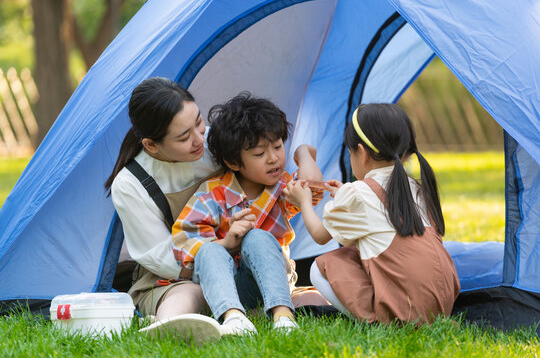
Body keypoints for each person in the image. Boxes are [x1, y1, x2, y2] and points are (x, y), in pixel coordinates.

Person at [283, 103, 461, 325]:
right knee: (359, 252)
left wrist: (304, 202)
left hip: (406, 310)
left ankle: (377, 321)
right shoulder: (415, 186)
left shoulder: (357, 194)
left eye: (350, 153)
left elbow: (320, 236)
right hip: (442, 303)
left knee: (320, 267)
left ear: (362, 153)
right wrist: (344, 195)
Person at [171, 92, 324, 335]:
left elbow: (312, 186)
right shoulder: (212, 195)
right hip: (223, 285)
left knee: (258, 237)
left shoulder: (282, 189)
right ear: (233, 162)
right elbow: (184, 245)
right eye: (259, 154)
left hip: (270, 283)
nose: (273, 158)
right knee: (209, 249)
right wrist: (228, 242)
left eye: (277, 146)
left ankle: (283, 316)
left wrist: (303, 151)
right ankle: (234, 318)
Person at [105, 77, 223, 344]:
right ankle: (168, 325)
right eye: (184, 137)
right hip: (178, 274)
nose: (198, 140)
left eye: (199, 122)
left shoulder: (218, 142)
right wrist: (217, 259)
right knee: (191, 294)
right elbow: (159, 255)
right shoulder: (130, 183)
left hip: (240, 252)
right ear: (151, 145)